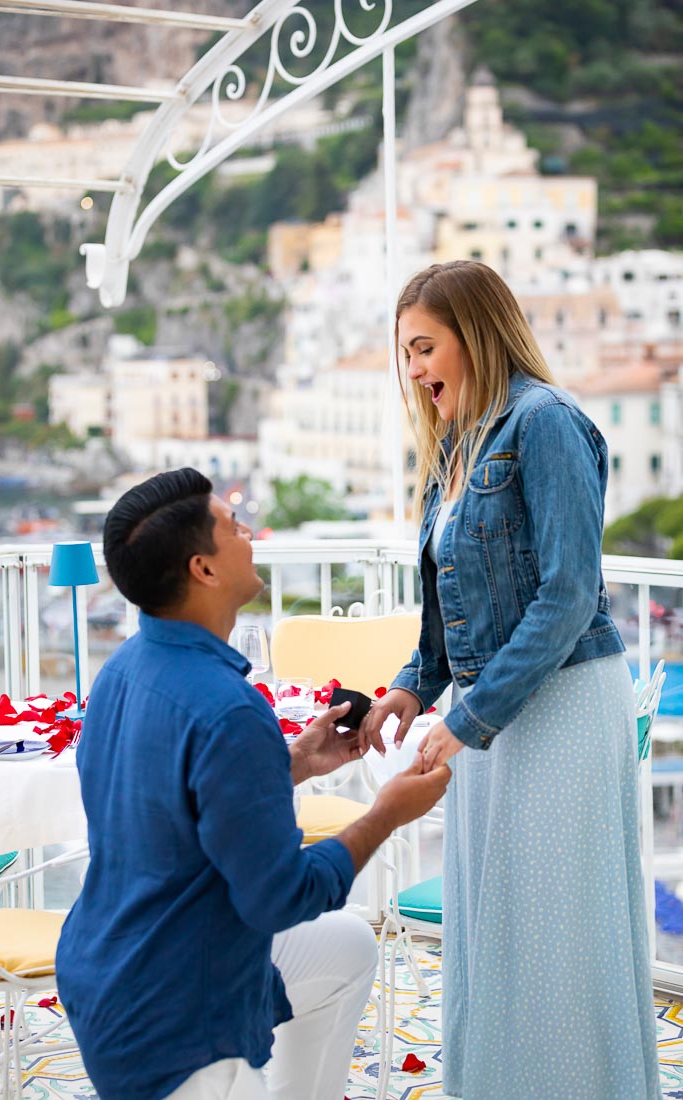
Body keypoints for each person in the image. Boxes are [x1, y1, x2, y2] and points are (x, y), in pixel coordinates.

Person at [362, 261, 662, 1100]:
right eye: (406, 355)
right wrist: (410, 690)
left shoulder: (546, 423)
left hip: (559, 703)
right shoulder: (453, 440)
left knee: (551, 933)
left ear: (476, 332)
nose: (415, 370)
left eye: (425, 347)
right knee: (496, 931)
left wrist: (468, 717)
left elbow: (568, 594)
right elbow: (445, 604)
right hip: (489, 713)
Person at [55, 467, 451, 1100]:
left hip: (103, 970)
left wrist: (290, 762)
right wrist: (385, 813)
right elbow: (282, 899)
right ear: (202, 570)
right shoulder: (227, 708)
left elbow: (170, 803)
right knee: (313, 918)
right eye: (233, 527)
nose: (249, 535)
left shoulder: (123, 670)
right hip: (178, 1018)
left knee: (347, 946)